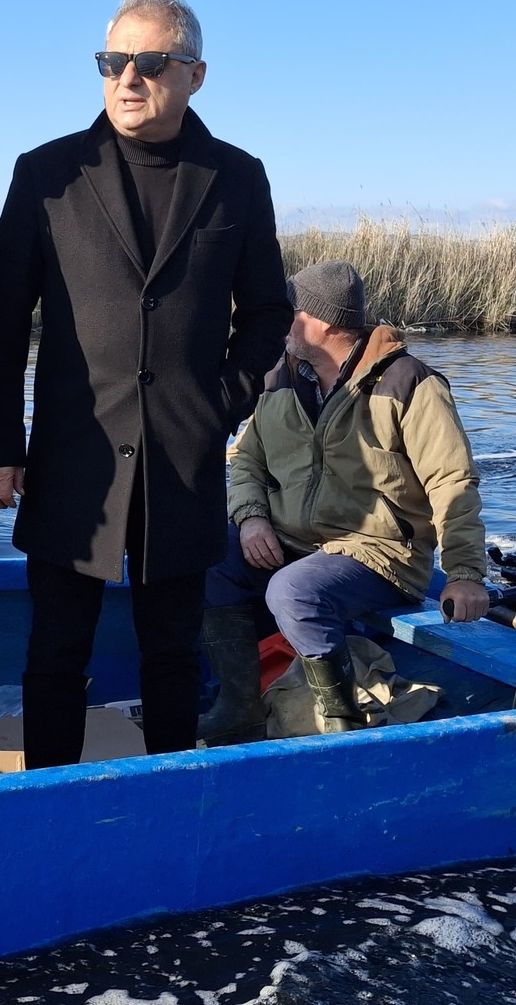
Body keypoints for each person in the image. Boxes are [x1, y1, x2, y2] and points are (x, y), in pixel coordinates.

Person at [0, 0, 290, 769]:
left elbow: (266, 314)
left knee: (174, 656)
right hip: (70, 457)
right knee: (55, 653)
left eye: (151, 63)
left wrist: (217, 405)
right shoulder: (46, 173)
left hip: (182, 458)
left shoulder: (237, 177)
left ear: (195, 75)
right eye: (112, 61)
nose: (128, 78)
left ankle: (169, 798)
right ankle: (50, 801)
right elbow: (4, 323)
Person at [203, 261, 491, 740]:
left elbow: (453, 481)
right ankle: (239, 709)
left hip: (378, 553)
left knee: (293, 591)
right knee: (208, 557)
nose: (281, 321)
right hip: (292, 540)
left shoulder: (411, 383)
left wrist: (464, 573)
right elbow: (247, 460)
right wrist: (251, 517)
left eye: (292, 312)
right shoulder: (278, 377)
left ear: (327, 324)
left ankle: (342, 726)